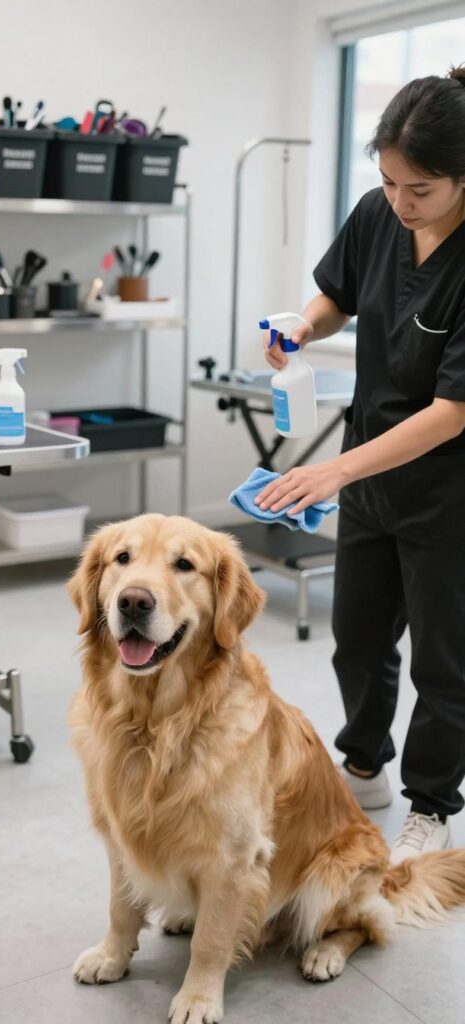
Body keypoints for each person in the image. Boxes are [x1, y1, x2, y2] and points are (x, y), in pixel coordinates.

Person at [256, 66, 465, 865]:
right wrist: (302, 328)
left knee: (445, 660)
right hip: (371, 470)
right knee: (357, 638)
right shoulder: (377, 214)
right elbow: (334, 295)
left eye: (419, 188)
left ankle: (431, 802)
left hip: (448, 488)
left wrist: (331, 475)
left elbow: (451, 412)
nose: (399, 201)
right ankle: (365, 764)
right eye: (386, 180)